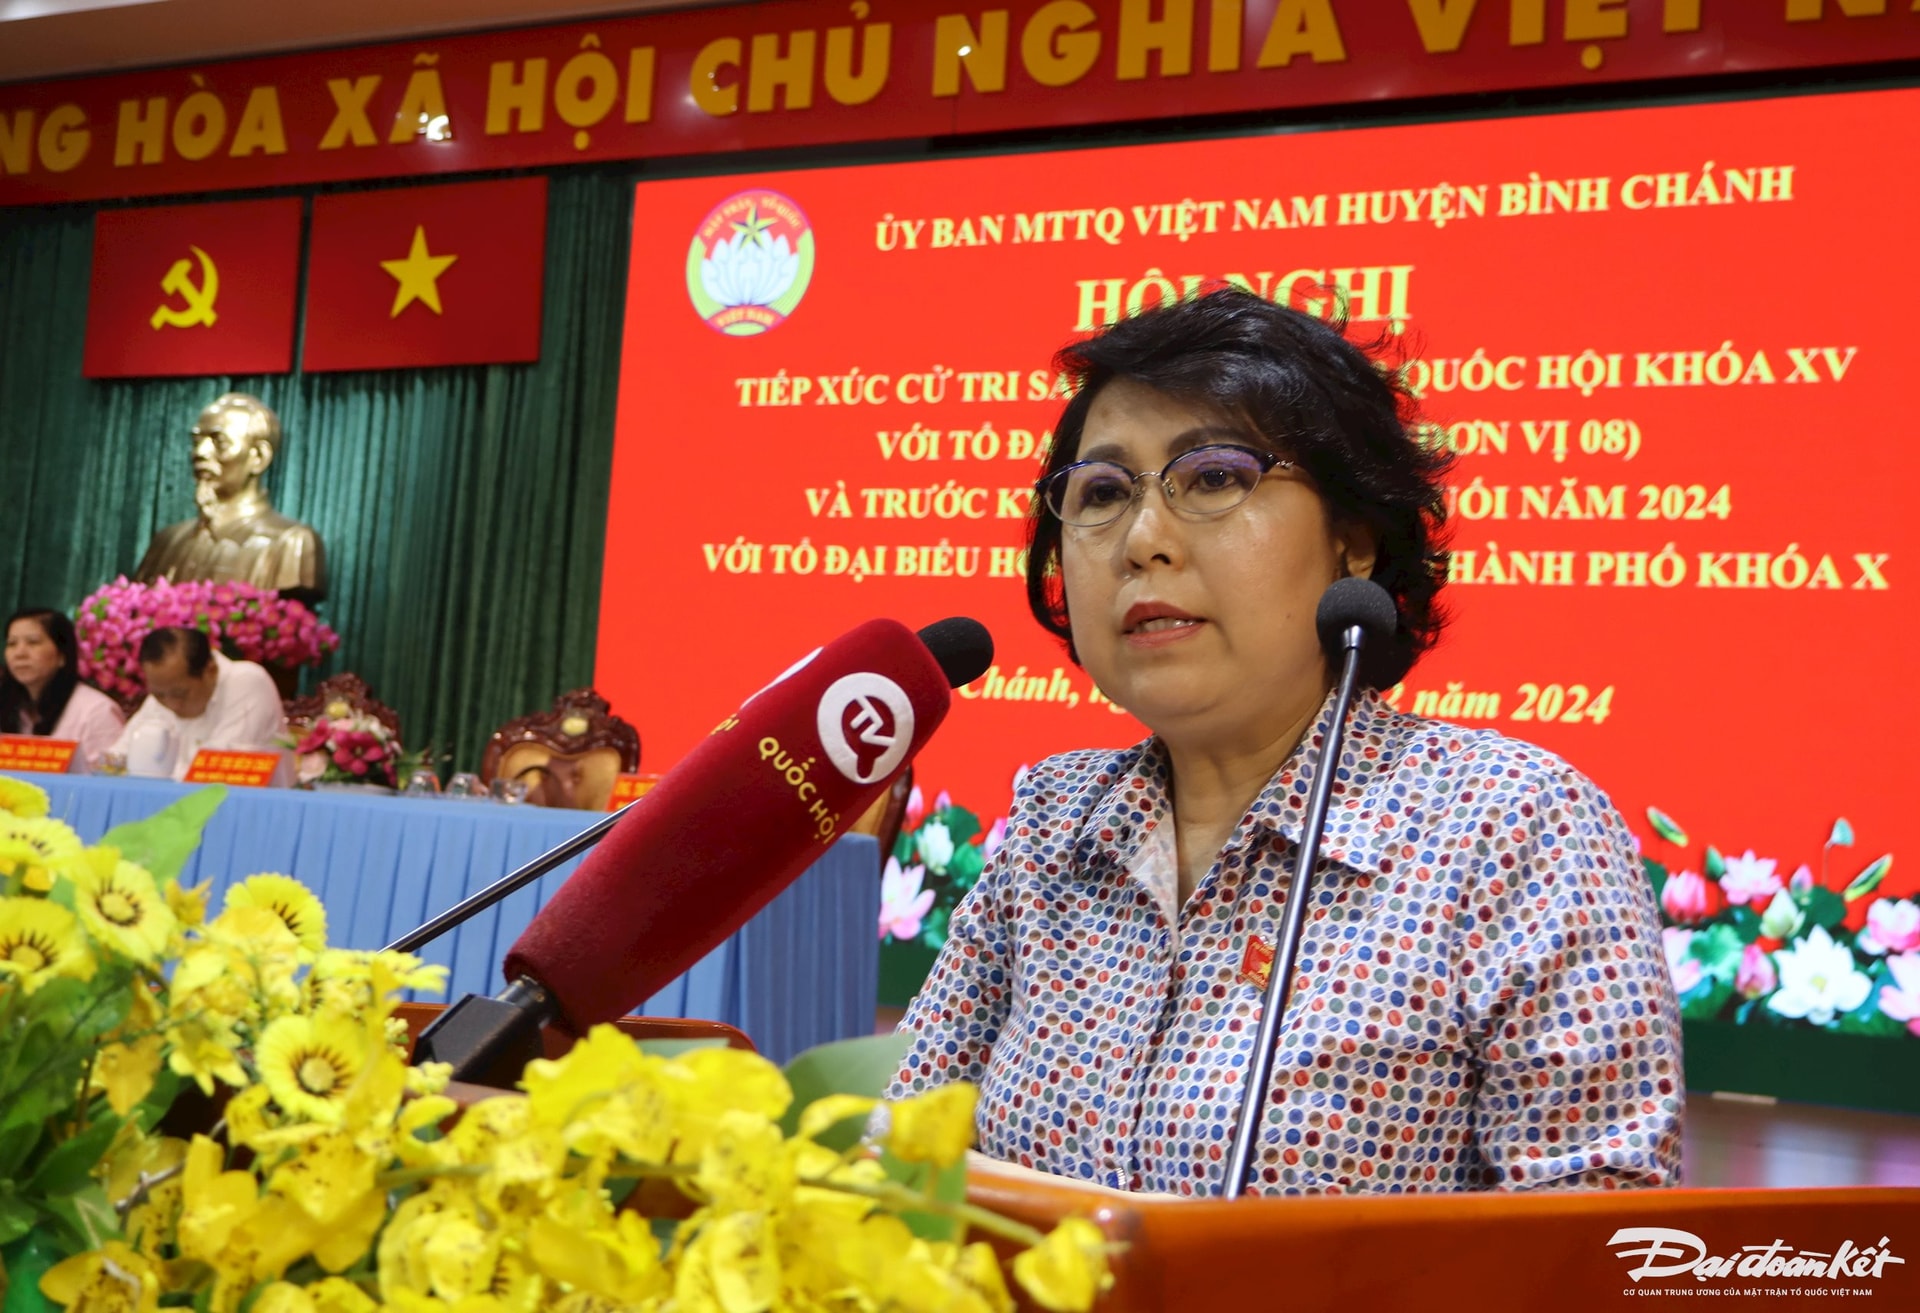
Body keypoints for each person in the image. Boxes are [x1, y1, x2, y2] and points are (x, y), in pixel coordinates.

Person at [889, 288, 1683, 1196]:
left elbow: (1601, 1241)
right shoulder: (1054, 825)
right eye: (1102, 492)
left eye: (1216, 477)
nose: (1143, 540)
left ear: (1352, 537)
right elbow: (901, 1146)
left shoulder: (1510, 828)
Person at [133, 392, 328, 604]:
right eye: (197, 441)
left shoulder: (292, 543)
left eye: (219, 442)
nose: (200, 452)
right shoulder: (167, 541)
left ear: (259, 457)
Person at [109, 627, 287, 780]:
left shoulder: (246, 681)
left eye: (181, 694)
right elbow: (116, 759)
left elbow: (215, 768)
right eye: (159, 695)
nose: (172, 705)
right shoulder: (163, 693)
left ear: (210, 670)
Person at [2, 607, 125, 770]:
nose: (19, 653)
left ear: (62, 655)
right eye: (12, 644)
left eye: (33, 642)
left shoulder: (97, 711)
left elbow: (109, 782)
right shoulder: (10, 705)